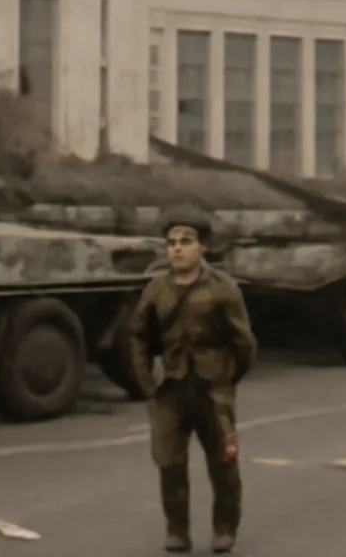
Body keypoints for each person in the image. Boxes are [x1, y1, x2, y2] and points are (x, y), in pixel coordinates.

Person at [130, 206, 258, 554]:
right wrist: (147, 383)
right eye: (171, 242)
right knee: (170, 464)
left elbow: (244, 343)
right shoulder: (156, 290)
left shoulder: (223, 290)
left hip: (212, 391)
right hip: (170, 390)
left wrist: (227, 381)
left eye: (186, 241)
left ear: (202, 247)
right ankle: (177, 531)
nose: (177, 248)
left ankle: (224, 529)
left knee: (223, 462)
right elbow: (139, 336)